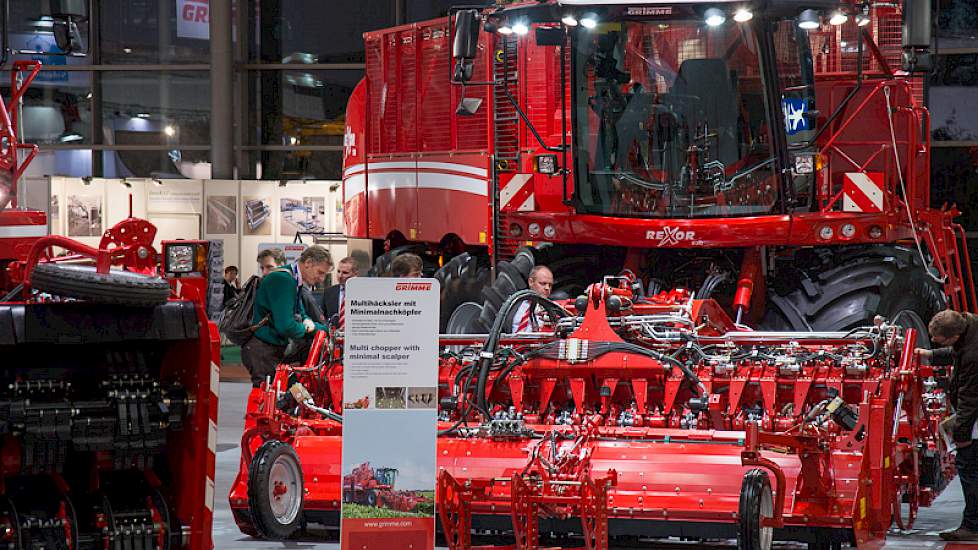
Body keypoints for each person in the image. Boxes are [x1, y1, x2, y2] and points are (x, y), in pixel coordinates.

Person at [917, 309, 978, 541]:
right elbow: (955, 351)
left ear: (953, 336)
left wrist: (960, 434)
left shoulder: (973, 355)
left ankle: (972, 527)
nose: (933, 340)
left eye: (938, 339)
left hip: (974, 414)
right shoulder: (969, 326)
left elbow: (970, 400)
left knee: (969, 467)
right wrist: (930, 354)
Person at [241, 246, 333, 388]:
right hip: (263, 350)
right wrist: (313, 329)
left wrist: (317, 327)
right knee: (266, 400)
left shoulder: (293, 279)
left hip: (268, 348)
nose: (321, 279)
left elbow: (301, 314)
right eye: (320, 272)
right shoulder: (284, 280)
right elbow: (286, 326)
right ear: (308, 263)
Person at [511, 265, 554, 333]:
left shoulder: (553, 310)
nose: (547, 288)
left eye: (550, 285)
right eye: (543, 283)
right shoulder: (514, 304)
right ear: (531, 282)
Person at [323, 257, 359, 327]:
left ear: (355, 274)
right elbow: (323, 317)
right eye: (338, 271)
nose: (340, 276)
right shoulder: (329, 292)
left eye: (345, 273)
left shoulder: (363, 293)